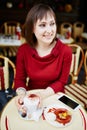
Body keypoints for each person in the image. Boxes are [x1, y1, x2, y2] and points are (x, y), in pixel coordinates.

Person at [14, 3, 72, 99]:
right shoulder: (23, 50)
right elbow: (20, 80)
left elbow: (62, 82)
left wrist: (42, 95)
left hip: (56, 96)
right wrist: (22, 97)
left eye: (52, 24)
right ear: (32, 28)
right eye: (42, 25)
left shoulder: (66, 51)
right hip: (31, 96)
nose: (49, 30)